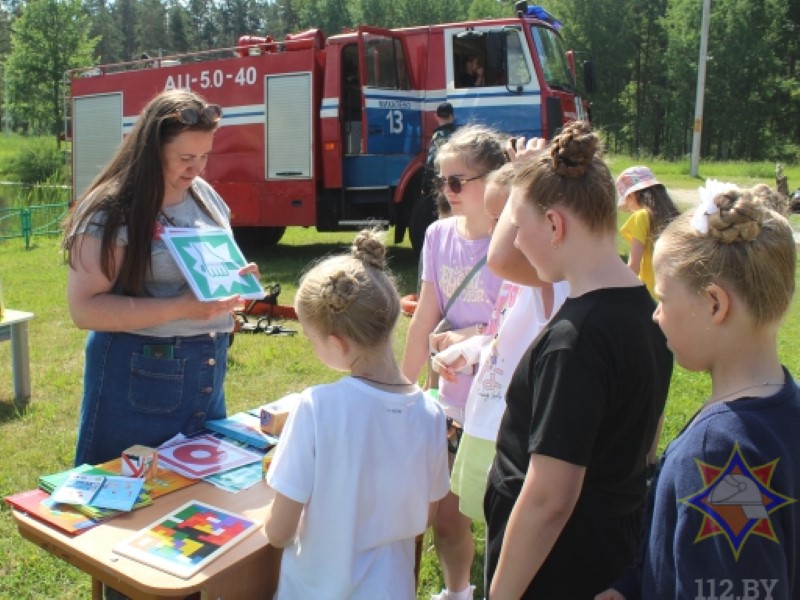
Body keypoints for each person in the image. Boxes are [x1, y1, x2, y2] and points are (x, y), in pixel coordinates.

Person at [484, 121, 674, 599]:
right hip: (606, 552)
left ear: (555, 225)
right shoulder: (648, 314)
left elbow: (549, 499)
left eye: (519, 226)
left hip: (554, 569)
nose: (516, 241)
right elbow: (645, 447)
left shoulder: (575, 342)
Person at [596, 182, 800, 600]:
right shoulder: (785, 405)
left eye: (663, 299)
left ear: (715, 304)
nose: (656, 316)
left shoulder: (720, 454)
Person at [62, 89, 259, 467]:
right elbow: (85, 310)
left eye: (204, 156)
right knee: (124, 492)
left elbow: (204, 273)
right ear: (151, 150)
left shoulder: (203, 195)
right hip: (138, 378)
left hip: (207, 369)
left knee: (197, 492)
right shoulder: (110, 209)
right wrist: (181, 307)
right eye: (185, 158)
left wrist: (236, 282)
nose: (196, 169)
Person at [264, 229, 450, 598]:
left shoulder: (316, 407)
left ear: (337, 342)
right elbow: (425, 517)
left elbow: (278, 531)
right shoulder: (431, 414)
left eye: (311, 338)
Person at [401, 124, 506, 600]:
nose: (447, 192)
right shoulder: (438, 235)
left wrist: (470, 337)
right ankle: (458, 592)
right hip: (451, 403)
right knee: (447, 518)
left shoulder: (515, 241)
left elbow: (525, 327)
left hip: (502, 405)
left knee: (505, 516)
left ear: (496, 179)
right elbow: (424, 316)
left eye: (458, 181)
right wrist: (402, 394)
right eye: (441, 181)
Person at [431, 162, 569, 522]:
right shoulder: (522, 282)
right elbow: (502, 336)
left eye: (504, 220)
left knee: (509, 533)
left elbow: (502, 260)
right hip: (487, 423)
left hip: (512, 434)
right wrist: (468, 351)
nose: (494, 233)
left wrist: (529, 175)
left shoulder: (548, 281)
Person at [616, 165, 680, 297]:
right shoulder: (675, 216)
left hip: (649, 294)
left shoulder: (641, 216)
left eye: (627, 201)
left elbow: (634, 267)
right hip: (672, 294)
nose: (629, 208)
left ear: (632, 195)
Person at [425, 102, 458, 219]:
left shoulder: (438, 136)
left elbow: (431, 163)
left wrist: (425, 186)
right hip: (459, 183)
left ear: (436, 117)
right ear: (452, 116)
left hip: (443, 184)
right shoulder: (460, 134)